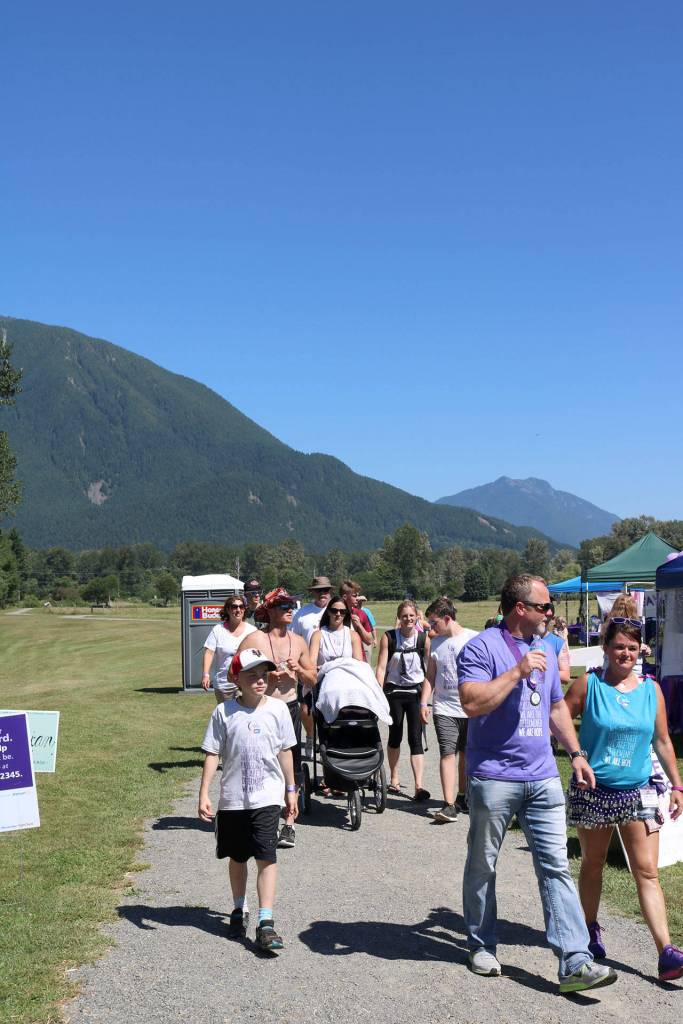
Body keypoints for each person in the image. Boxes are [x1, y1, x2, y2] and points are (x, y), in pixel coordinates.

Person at [457, 574, 617, 994]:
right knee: (483, 864)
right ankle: (481, 944)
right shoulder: (481, 648)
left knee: (555, 866)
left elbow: (555, 706)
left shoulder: (546, 646)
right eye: (544, 606)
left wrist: (576, 753)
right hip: (494, 776)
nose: (550, 612)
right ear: (520, 608)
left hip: (543, 776)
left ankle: (575, 961)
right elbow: (471, 703)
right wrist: (516, 671)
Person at [563, 619, 683, 981]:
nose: (625, 654)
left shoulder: (651, 690)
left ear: (639, 650)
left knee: (647, 871)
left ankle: (666, 952)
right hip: (594, 791)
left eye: (632, 647)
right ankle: (589, 930)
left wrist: (677, 786)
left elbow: (662, 740)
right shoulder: (590, 684)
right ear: (605, 648)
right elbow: (561, 719)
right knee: (593, 863)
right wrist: (577, 755)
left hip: (639, 789)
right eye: (618, 646)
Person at [198, 648, 298, 953]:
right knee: (238, 857)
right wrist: (204, 792)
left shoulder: (278, 710)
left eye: (263, 674)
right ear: (236, 679)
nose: (260, 680)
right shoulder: (224, 712)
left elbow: (285, 751)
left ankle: (266, 922)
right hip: (233, 799)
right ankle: (239, 908)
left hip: (267, 797)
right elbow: (213, 753)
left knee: (267, 856)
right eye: (251, 675)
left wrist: (291, 789)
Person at [237, 587, 316, 850]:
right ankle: (258, 819)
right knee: (257, 764)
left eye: (291, 605)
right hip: (260, 709)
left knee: (291, 767)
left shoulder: (299, 641)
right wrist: (261, 677)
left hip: (289, 708)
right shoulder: (255, 640)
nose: (290, 609)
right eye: (283, 606)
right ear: (269, 611)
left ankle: (289, 824)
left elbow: (312, 679)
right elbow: (232, 674)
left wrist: (298, 670)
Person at [420, 597, 477, 822]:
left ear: (447, 618)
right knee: (447, 752)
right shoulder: (435, 643)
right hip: (444, 708)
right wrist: (423, 702)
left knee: (467, 754)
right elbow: (430, 676)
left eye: (434, 623)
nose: (431, 628)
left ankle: (463, 796)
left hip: (470, 707)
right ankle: (449, 804)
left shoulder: (474, 638)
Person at [375, 599, 430, 801]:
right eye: (404, 616)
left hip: (415, 693)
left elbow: (429, 671)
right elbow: (381, 668)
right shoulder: (389, 637)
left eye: (411, 615)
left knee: (416, 739)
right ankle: (394, 778)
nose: (408, 619)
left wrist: (426, 700)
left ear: (417, 617)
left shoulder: (423, 639)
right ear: (399, 617)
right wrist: (378, 693)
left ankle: (418, 786)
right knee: (395, 736)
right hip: (394, 693)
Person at [291, 576, 333, 758]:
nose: (323, 593)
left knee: (330, 707)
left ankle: (328, 742)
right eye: (319, 590)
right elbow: (293, 639)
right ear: (313, 592)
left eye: (326, 590)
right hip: (308, 668)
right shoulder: (302, 614)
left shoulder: (338, 610)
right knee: (305, 709)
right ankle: (310, 735)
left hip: (331, 669)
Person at [200, 595, 257, 703]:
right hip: (223, 684)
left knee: (244, 712)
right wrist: (206, 675)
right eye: (234, 607)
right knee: (226, 713)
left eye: (241, 607)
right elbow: (209, 653)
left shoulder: (252, 630)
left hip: (245, 683)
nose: (238, 610)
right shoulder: (218, 629)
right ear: (228, 609)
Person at [309, 596, 363, 668]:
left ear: (346, 613)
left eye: (342, 611)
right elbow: (311, 665)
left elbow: (359, 664)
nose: (338, 614)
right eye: (334, 611)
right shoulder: (318, 635)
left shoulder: (353, 636)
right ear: (328, 612)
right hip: (325, 674)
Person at [340, 580, 374, 659]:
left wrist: (359, 625)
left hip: (358, 660)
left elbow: (369, 641)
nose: (357, 599)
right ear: (344, 597)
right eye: (354, 596)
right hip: (339, 661)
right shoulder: (334, 615)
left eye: (358, 596)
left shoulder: (361, 613)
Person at [356, 595, 377, 661]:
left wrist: (375, 639)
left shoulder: (366, 611)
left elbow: (372, 625)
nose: (360, 603)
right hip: (355, 638)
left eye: (362, 601)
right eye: (359, 601)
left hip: (366, 638)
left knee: (367, 659)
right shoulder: (352, 610)